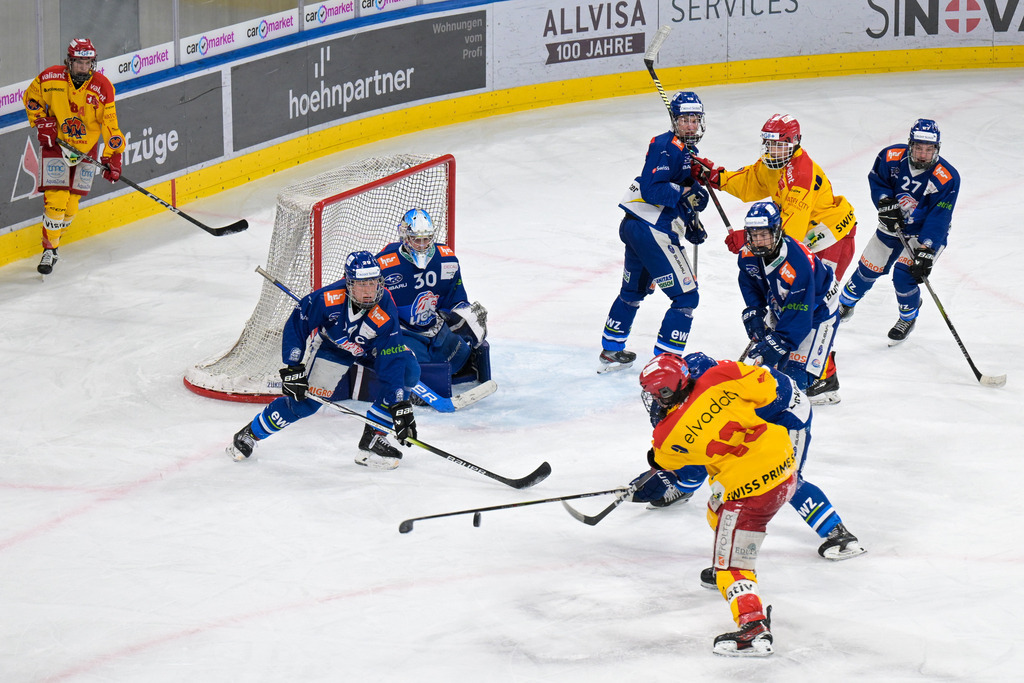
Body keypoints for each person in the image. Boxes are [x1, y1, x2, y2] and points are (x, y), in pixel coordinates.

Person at [632, 351, 865, 563]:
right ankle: (727, 557)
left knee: (785, 478)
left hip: (788, 416)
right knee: (729, 475)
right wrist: (672, 476)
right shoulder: (715, 382)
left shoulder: (731, 393)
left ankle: (839, 535)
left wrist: (668, 473)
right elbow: (707, 452)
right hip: (757, 419)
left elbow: (705, 451)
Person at [637, 353, 797, 657]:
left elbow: (663, 460)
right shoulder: (720, 375)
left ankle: (753, 628)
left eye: (655, 394)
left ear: (668, 391)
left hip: (748, 493)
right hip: (784, 468)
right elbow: (768, 389)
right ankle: (734, 558)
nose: (653, 400)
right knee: (715, 509)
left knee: (731, 568)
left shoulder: (666, 435)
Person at [692, 114, 857, 400]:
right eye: (768, 144)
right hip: (805, 238)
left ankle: (824, 374)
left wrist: (747, 236)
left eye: (779, 145)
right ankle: (792, 350)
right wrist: (719, 178)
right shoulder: (776, 161)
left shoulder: (802, 176)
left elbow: (787, 235)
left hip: (830, 240)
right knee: (786, 302)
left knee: (812, 306)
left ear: (795, 143)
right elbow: (751, 181)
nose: (772, 151)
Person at [227, 251, 421, 470]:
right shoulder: (327, 299)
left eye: (374, 283)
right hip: (334, 348)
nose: (369, 290)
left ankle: (374, 438)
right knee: (305, 404)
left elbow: (392, 355)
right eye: (362, 284)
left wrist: (399, 402)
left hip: (370, 348)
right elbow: (297, 325)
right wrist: (293, 368)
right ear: (349, 283)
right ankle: (251, 433)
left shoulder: (385, 305)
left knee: (407, 369)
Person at [597, 91, 710, 373]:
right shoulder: (665, 146)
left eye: (694, 120)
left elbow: (676, 191)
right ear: (674, 119)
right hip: (651, 229)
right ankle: (666, 365)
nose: (691, 125)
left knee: (633, 291)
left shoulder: (684, 150)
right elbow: (653, 189)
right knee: (686, 297)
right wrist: (688, 191)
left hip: (637, 225)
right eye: (684, 119)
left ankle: (612, 348)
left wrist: (691, 217)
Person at [838, 119, 961, 345]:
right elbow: (878, 181)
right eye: (918, 148)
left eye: (929, 149)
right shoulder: (890, 157)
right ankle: (845, 304)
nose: (923, 154)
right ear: (910, 145)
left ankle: (908, 317)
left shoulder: (947, 176)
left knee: (904, 277)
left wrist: (926, 249)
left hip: (923, 233)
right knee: (867, 270)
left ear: (937, 149)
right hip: (891, 226)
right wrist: (885, 203)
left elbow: (939, 217)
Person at [23, 38, 125, 275]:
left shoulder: (103, 87)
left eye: (87, 62)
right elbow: (30, 97)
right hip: (55, 145)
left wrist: (113, 158)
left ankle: (54, 243)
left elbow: (111, 126)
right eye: (78, 62)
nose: (83, 67)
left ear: (93, 62)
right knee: (56, 199)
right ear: (68, 61)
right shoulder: (50, 78)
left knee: (70, 208)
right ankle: (49, 250)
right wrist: (41, 121)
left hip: (86, 150)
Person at [375, 208, 488, 382]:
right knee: (415, 370)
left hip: (435, 327)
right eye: (416, 240)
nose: (422, 245)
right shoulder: (385, 264)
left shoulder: (447, 260)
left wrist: (466, 315)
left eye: (426, 239)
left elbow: (454, 299)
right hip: (403, 331)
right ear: (405, 237)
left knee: (461, 358)